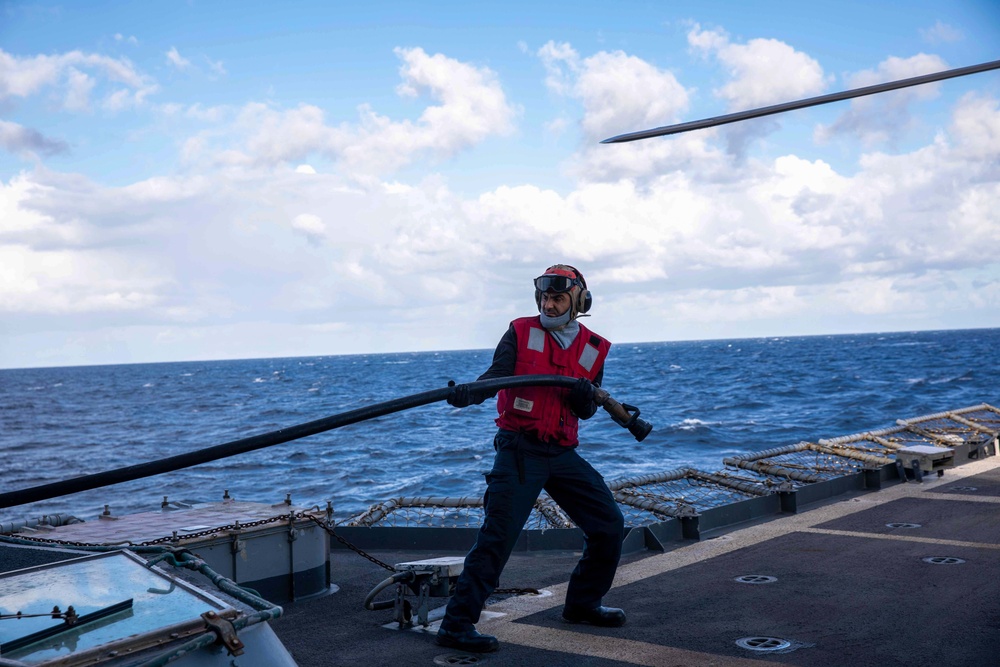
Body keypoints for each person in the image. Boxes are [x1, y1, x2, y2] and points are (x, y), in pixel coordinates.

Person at [436, 264, 626, 654]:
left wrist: (582, 395)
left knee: (608, 524)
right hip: (520, 448)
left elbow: (586, 411)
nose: (548, 305)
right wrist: (466, 394)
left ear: (578, 302)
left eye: (557, 298)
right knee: (498, 537)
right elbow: (497, 376)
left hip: (561, 452)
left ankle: (583, 604)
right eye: (544, 297)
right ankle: (455, 625)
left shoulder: (594, 347)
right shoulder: (520, 332)